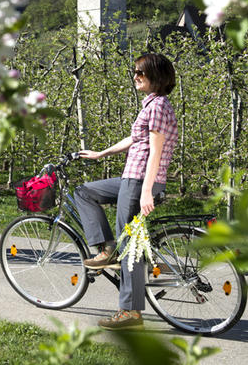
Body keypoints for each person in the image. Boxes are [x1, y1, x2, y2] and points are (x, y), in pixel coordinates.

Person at [76, 53, 178, 331]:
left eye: (140, 73)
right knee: (84, 192)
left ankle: (130, 313)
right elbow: (136, 139)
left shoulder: (157, 105)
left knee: (130, 248)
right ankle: (106, 248)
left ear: (155, 76)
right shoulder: (152, 105)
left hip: (140, 181)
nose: (135, 76)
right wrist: (101, 154)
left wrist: (146, 191)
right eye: (135, 72)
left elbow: (155, 150)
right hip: (131, 179)